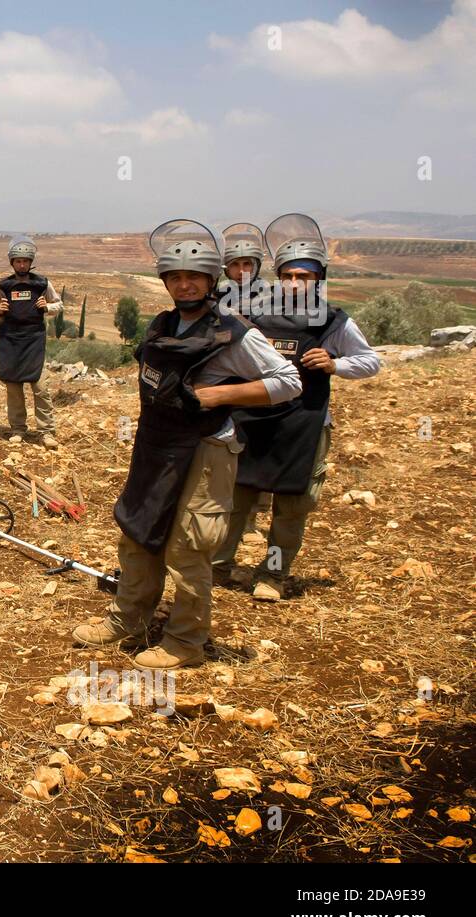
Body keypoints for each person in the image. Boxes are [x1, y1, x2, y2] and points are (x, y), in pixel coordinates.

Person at [71, 220, 300, 669]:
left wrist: (222, 394)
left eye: (194, 276)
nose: (185, 283)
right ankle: (128, 620)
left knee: (187, 545)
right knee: (138, 531)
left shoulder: (235, 333)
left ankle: (185, 642)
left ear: (211, 279)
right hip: (156, 445)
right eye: (175, 276)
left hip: (206, 449)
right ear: (166, 282)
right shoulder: (162, 325)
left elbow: (288, 381)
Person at [213, 213, 380, 600]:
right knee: (237, 497)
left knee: (291, 504)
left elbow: (370, 361)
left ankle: (272, 575)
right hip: (252, 419)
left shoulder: (334, 321)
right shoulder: (256, 312)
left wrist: (336, 364)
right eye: (287, 275)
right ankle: (219, 565)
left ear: (318, 279)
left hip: (304, 423)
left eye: (303, 277)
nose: (293, 283)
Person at [0, 236, 60, 448]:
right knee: (13, 387)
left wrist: (47, 307)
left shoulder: (42, 284)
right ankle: (18, 429)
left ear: (30, 262)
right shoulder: (4, 286)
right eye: (18, 261)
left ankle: (46, 432)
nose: (22, 264)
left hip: (34, 340)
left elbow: (59, 305)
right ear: (12, 262)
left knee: (40, 386)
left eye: (25, 261)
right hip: (10, 340)